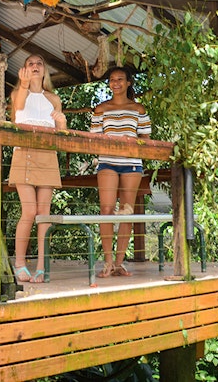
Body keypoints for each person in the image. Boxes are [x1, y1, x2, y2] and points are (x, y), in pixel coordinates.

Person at [8, 54, 66, 284]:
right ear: (24, 70)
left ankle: (42, 266)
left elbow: (61, 134)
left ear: (44, 71)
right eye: (30, 63)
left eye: (39, 63)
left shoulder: (54, 98)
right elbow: (19, 108)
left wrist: (61, 123)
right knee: (29, 212)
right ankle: (20, 263)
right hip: (24, 153)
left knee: (44, 214)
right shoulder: (17, 93)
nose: (34, 66)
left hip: (48, 155)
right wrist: (23, 84)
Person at [91, 66, 151, 278]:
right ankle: (107, 262)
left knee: (127, 211)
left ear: (128, 83)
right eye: (112, 80)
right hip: (107, 162)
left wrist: (132, 143)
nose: (115, 83)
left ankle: (119, 262)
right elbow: (94, 139)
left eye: (120, 79)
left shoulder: (139, 109)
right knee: (106, 211)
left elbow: (146, 139)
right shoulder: (100, 109)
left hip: (132, 163)